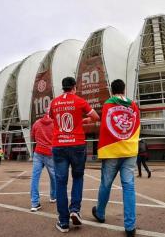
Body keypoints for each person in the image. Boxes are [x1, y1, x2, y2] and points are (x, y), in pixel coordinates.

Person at [49, 76, 99, 233]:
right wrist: (82, 121)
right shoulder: (79, 101)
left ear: (62, 88)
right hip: (77, 144)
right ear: (74, 87)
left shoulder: (54, 102)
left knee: (60, 182)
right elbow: (96, 117)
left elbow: (52, 119)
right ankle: (75, 210)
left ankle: (63, 222)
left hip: (59, 145)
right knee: (78, 177)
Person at [91, 79, 140, 237]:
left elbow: (106, 126)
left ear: (112, 90)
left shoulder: (108, 104)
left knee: (106, 184)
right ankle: (130, 226)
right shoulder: (133, 105)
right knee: (129, 186)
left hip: (112, 151)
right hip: (129, 151)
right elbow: (137, 125)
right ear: (124, 90)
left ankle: (100, 213)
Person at [30, 111, 56, 212]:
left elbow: (33, 136)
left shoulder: (36, 123)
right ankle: (53, 196)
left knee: (35, 177)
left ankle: (34, 203)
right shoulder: (55, 123)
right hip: (50, 153)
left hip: (38, 152)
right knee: (53, 177)